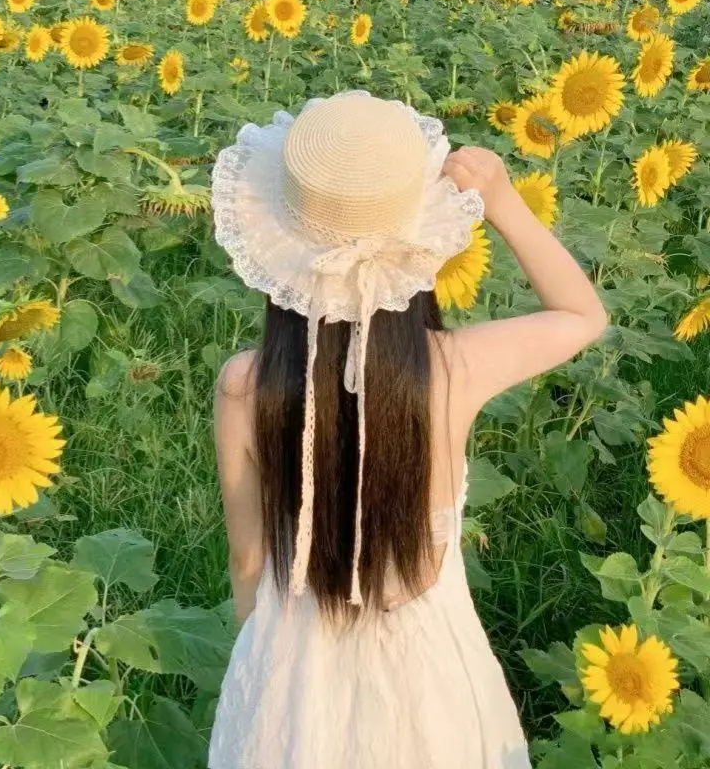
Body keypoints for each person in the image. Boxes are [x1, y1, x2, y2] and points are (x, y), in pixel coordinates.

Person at [207, 90, 606, 769]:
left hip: (295, 662)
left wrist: (259, 667)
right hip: (430, 671)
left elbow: (248, 561)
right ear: (420, 246)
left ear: (278, 252)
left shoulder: (244, 385)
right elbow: (582, 315)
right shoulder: (453, 370)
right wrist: (502, 201)